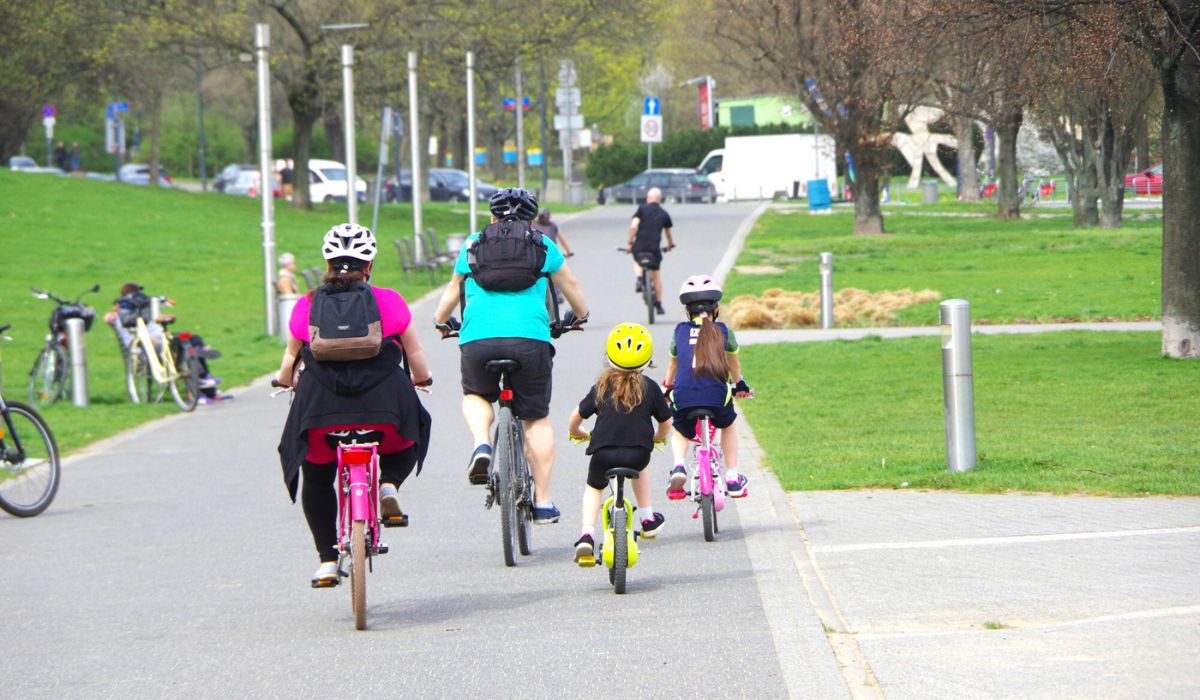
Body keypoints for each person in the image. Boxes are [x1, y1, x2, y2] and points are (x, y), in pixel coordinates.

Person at [276, 223, 432, 586]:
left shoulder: (307, 303)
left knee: (316, 477)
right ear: (370, 264)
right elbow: (415, 354)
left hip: (320, 413)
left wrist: (284, 380)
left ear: (327, 262)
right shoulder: (389, 300)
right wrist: (421, 379)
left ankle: (328, 560)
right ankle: (389, 484)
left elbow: (290, 358)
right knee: (414, 431)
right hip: (384, 410)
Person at [432, 188, 589, 525]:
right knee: (535, 418)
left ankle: (481, 444)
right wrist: (581, 315)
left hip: (478, 339)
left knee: (476, 395)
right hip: (530, 340)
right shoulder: (541, 244)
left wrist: (440, 321)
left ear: (492, 217)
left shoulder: (473, 243)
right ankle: (544, 502)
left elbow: (451, 290)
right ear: (531, 220)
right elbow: (571, 285)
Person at [566, 323, 672, 565]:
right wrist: (657, 438)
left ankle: (586, 535)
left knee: (594, 487)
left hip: (603, 454)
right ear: (647, 360)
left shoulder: (602, 386)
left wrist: (577, 432)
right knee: (640, 468)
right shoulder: (651, 387)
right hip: (637, 454)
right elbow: (666, 421)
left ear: (609, 357)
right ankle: (647, 518)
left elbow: (576, 417)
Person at [662, 275, 753, 500]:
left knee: (682, 428)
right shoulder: (723, 331)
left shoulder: (680, 331)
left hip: (683, 394)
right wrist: (739, 383)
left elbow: (673, 363)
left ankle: (679, 466)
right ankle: (732, 476)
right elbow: (734, 363)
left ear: (687, 312)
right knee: (729, 423)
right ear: (716, 309)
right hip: (716, 395)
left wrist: (667, 387)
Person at [627, 187, 676, 316]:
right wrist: (670, 244)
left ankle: (638, 278)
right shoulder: (664, 213)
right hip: (654, 249)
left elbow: (633, 226)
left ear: (649, 198)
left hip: (640, 246)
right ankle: (659, 304)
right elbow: (668, 233)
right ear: (659, 200)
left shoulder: (642, 209)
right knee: (656, 276)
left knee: (637, 260)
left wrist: (630, 242)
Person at [104, 282, 170, 353]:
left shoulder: (120, 315)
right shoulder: (143, 310)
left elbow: (109, 318)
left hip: (135, 345)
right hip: (141, 343)